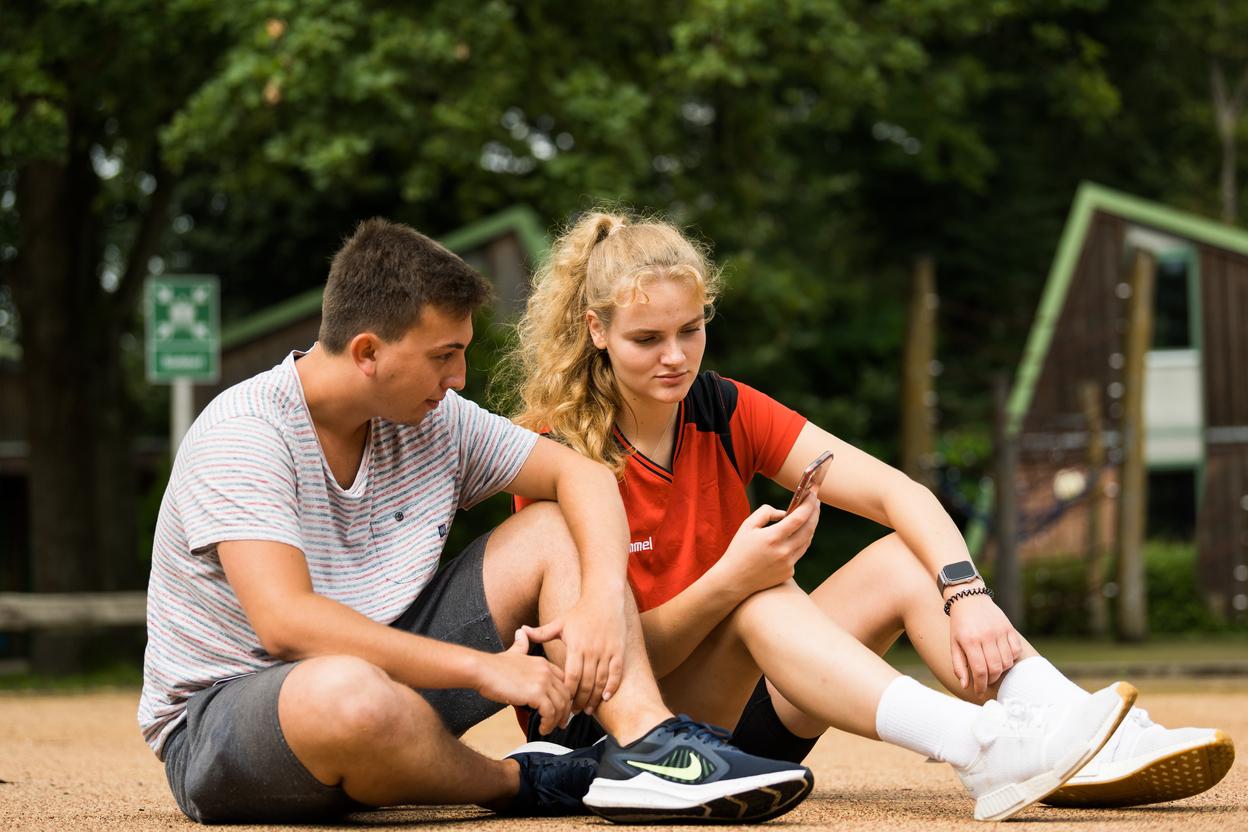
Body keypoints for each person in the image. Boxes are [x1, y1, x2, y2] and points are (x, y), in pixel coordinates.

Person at [504, 210, 1234, 819]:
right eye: (646, 339)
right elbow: (599, 677)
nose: (676, 357)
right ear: (596, 330)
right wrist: (731, 580)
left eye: (691, 330)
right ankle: (983, 746)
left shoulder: (721, 407)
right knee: (759, 596)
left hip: (741, 716)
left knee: (900, 558)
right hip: (626, 742)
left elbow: (898, 494)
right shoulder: (554, 452)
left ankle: (1067, 727)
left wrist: (967, 593)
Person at [137, 218, 817, 825]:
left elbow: (579, 475)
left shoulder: (434, 418)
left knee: (552, 525)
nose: (460, 376)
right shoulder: (246, 433)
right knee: (347, 693)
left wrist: (605, 599)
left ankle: (650, 749)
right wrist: (486, 670)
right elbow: (288, 625)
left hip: (391, 682)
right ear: (369, 352)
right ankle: (527, 781)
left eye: (462, 352)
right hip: (233, 723)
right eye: (443, 355)